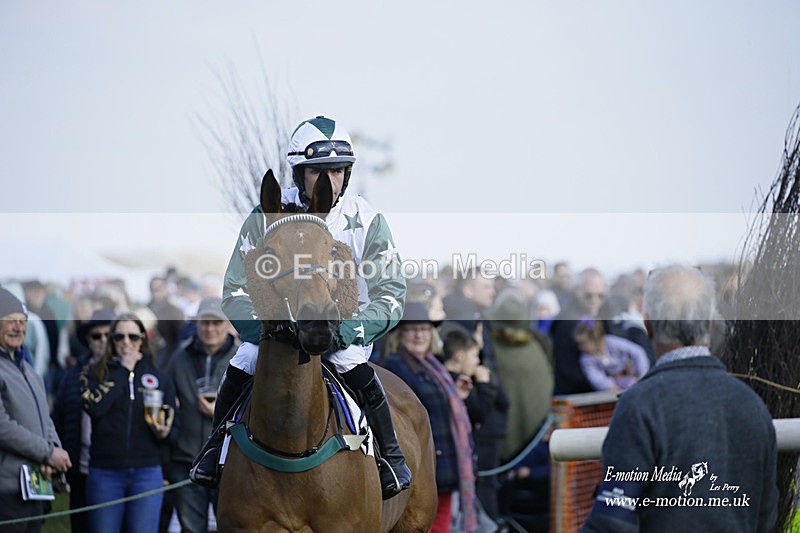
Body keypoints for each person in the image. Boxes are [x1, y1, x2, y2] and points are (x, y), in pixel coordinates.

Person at [191, 115, 410, 500]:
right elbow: (234, 289)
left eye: (340, 171)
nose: (331, 181)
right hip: (277, 335)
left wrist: (346, 332)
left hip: (342, 334)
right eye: (319, 172)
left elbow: (391, 291)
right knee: (243, 362)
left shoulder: (367, 220)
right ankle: (213, 450)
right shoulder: (267, 216)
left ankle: (391, 457)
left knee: (351, 366)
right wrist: (271, 329)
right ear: (299, 173)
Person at [581, 265, 778, 532]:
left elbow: (613, 521)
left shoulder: (640, 406)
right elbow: (766, 516)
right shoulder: (753, 406)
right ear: (711, 324)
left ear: (648, 325)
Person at [381, 303, 478, 533]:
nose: (419, 335)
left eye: (424, 329)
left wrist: (456, 393)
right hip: (422, 460)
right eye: (412, 329)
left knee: (440, 521)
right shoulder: (395, 367)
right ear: (400, 334)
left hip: (444, 461)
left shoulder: (434, 366)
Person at [81, 312, 177, 533]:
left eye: (133, 337)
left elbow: (175, 426)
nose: (126, 342)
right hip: (105, 472)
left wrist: (164, 434)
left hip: (147, 471)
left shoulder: (159, 378)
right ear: (111, 341)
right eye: (119, 337)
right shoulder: (93, 374)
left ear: (143, 340)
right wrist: (123, 371)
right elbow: (95, 408)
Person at [0, 287, 72, 532]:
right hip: (6, 488)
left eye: (23, 322)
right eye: (11, 322)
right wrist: (46, 453)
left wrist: (53, 450)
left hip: (35, 484)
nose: (19, 328)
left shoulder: (29, 369)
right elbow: (3, 427)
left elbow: (45, 417)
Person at [166, 297, 238, 532]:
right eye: (204, 323)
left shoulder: (243, 358)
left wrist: (221, 410)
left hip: (229, 462)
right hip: (187, 458)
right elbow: (167, 401)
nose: (210, 329)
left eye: (216, 323)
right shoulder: (180, 357)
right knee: (191, 529)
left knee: (231, 526)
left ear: (227, 324)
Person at [52, 307, 114, 533]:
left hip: (117, 470)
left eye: (109, 335)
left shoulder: (131, 371)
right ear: (88, 340)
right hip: (81, 469)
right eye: (97, 336)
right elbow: (58, 418)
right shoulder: (73, 374)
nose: (103, 341)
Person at [573, 318, 649, 392]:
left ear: (595, 339)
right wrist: (609, 386)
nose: (580, 348)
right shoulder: (586, 359)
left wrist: (642, 374)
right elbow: (595, 377)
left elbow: (637, 352)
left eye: (583, 344)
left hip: (633, 375)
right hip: (616, 384)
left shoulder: (612, 342)